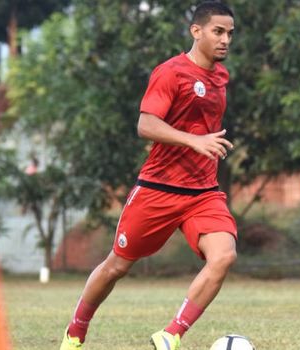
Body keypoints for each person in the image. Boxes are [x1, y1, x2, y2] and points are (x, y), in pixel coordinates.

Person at [60, 3, 237, 349]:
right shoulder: (170, 73)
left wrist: (202, 145)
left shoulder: (220, 77)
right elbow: (146, 124)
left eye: (230, 33)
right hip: (158, 190)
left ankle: (171, 334)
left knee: (225, 256)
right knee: (116, 267)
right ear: (196, 31)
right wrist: (193, 141)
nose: (225, 39)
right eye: (218, 31)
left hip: (203, 192)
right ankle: (76, 330)